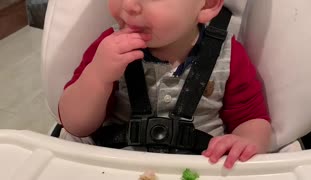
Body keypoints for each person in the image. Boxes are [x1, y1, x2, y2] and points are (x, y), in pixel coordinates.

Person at [58, 0, 271, 169]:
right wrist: (98, 77)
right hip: (116, 165)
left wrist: (245, 142)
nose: (128, 5)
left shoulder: (228, 55)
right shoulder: (107, 49)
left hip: (202, 167)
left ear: (206, 4)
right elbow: (76, 125)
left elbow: (252, 119)